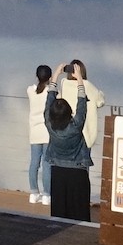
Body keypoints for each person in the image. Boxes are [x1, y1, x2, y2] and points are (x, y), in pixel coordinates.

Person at [45, 87, 95, 221]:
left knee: (59, 209)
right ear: (69, 112)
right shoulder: (75, 126)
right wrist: (79, 80)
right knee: (79, 208)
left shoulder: (49, 125)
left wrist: (54, 80)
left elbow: (48, 105)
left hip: (57, 170)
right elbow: (82, 108)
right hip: (77, 170)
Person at [26, 63, 56, 204]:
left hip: (34, 132)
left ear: (37, 76)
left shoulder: (30, 91)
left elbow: (36, 88)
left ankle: (33, 193)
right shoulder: (51, 92)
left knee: (34, 163)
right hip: (48, 132)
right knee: (47, 164)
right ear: (49, 77)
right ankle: (46, 195)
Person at [60, 58, 105, 150]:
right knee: (83, 161)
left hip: (67, 129)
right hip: (84, 132)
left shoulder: (64, 84)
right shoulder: (87, 85)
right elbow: (100, 101)